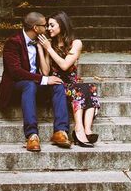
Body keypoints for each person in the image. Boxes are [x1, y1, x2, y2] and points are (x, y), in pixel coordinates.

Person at [0, 11, 72, 151]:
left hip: (36, 85)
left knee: (58, 84)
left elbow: (46, 72)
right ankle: (32, 135)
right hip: (18, 87)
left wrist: (43, 51)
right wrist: (43, 79)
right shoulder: (13, 42)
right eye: (44, 25)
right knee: (30, 85)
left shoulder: (41, 42)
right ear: (36, 28)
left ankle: (60, 131)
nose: (47, 28)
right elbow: (15, 72)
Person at [37, 11, 100, 148]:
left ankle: (87, 130)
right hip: (58, 86)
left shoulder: (76, 43)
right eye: (48, 26)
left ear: (62, 25)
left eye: (52, 25)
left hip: (72, 84)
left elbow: (65, 65)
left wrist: (49, 49)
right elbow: (46, 72)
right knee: (80, 89)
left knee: (90, 87)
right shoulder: (50, 45)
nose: (49, 28)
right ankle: (79, 129)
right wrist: (43, 50)